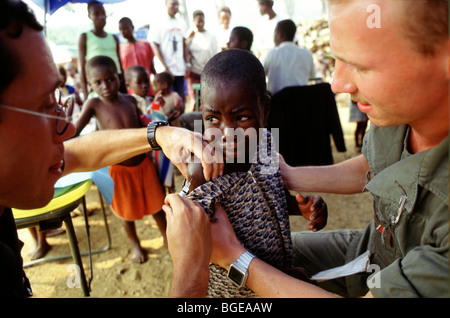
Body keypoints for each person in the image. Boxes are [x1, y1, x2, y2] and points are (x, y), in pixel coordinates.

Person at [162, 0, 448, 298]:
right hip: (373, 249)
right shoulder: (397, 111)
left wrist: (237, 259)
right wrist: (291, 180)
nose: (335, 84)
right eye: (336, 60)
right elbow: (375, 165)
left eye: (362, 65)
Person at [167, 49, 328, 298]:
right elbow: (189, 242)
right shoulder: (204, 171)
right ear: (201, 111)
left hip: (273, 277)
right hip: (233, 292)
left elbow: (270, 195)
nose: (227, 133)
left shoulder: (263, 143)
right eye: (213, 118)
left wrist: (301, 208)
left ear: (265, 108)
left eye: (241, 117)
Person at [74, 56, 167, 263]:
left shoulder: (130, 100)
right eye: (98, 82)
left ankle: (167, 237)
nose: (105, 86)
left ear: (118, 77)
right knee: (125, 210)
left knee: (157, 205)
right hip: (118, 170)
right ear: (90, 84)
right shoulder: (94, 103)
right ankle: (135, 243)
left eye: (110, 79)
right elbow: (75, 131)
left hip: (143, 165)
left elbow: (143, 125)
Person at [78, 0, 125, 100]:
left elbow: (120, 64)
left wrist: (123, 84)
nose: (101, 17)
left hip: (116, 84)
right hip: (99, 87)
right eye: (96, 14)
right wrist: (86, 94)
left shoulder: (114, 38)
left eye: (103, 13)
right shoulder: (85, 37)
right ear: (89, 16)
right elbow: (81, 67)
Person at [148, 0, 189, 105]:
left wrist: (187, 64)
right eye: (172, 4)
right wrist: (166, 68)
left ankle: (180, 121)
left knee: (180, 101)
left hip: (179, 69)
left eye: (177, 4)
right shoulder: (158, 22)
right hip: (164, 72)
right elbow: (155, 46)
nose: (175, 6)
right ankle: (166, 122)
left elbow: (184, 45)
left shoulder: (181, 22)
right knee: (165, 103)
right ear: (166, 4)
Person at [263, 19, 316, 96]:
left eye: (275, 33)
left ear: (280, 34)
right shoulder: (307, 54)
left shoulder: (271, 54)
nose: (274, 37)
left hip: (277, 104)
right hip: (302, 103)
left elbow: (257, 75)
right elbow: (312, 76)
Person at [186, 10, 219, 112]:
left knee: (207, 103)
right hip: (194, 73)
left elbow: (216, 55)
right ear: (193, 21)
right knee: (194, 102)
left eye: (202, 18)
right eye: (197, 19)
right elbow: (185, 52)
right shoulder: (190, 36)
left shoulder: (211, 37)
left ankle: (204, 125)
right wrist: (187, 38)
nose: (200, 21)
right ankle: (193, 125)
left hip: (208, 74)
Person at [118, 17, 157, 97]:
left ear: (132, 28)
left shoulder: (145, 44)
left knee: (152, 106)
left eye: (125, 28)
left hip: (147, 86)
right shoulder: (120, 48)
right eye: (120, 30)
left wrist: (156, 78)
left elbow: (151, 65)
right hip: (131, 89)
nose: (123, 32)